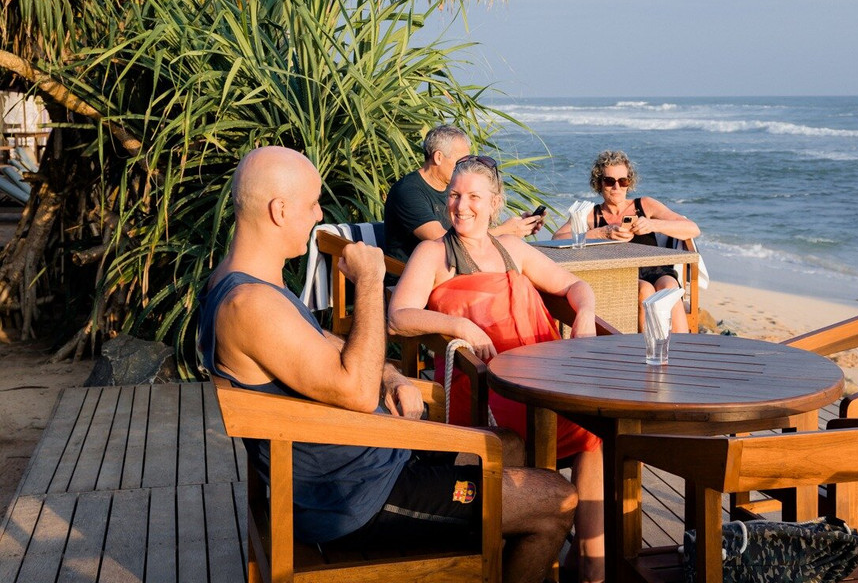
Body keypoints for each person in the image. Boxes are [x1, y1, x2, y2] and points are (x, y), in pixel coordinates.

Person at [197, 146, 575, 583]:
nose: (319, 215)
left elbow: (320, 343)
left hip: (361, 462)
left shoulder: (239, 280)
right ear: (279, 210)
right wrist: (372, 280)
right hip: (356, 498)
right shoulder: (251, 304)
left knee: (508, 443)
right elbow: (356, 391)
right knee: (556, 500)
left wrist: (392, 375)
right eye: (312, 204)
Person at [388, 154, 605, 583]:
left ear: (494, 203)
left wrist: (584, 314)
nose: (461, 205)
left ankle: (592, 567)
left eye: (473, 196)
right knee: (525, 439)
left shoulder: (514, 249)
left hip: (540, 378)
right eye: (453, 194)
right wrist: (457, 323)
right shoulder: (435, 252)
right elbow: (399, 314)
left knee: (591, 434)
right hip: (486, 392)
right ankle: (533, 542)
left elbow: (574, 286)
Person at [553, 150, 700, 333]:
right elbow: (557, 238)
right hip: (619, 275)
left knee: (669, 288)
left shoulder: (644, 205)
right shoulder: (591, 214)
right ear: (599, 183)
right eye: (609, 181)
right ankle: (646, 352)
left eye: (623, 181)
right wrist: (600, 233)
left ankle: (683, 351)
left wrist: (653, 224)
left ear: (629, 183)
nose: (617, 187)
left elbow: (692, 229)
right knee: (645, 290)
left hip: (656, 270)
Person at [383, 124, 543, 264]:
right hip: (410, 278)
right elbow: (443, 242)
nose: (466, 166)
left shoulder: (453, 188)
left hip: (452, 268)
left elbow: (469, 233)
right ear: (438, 157)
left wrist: (518, 226)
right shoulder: (408, 192)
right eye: (462, 160)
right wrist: (504, 231)